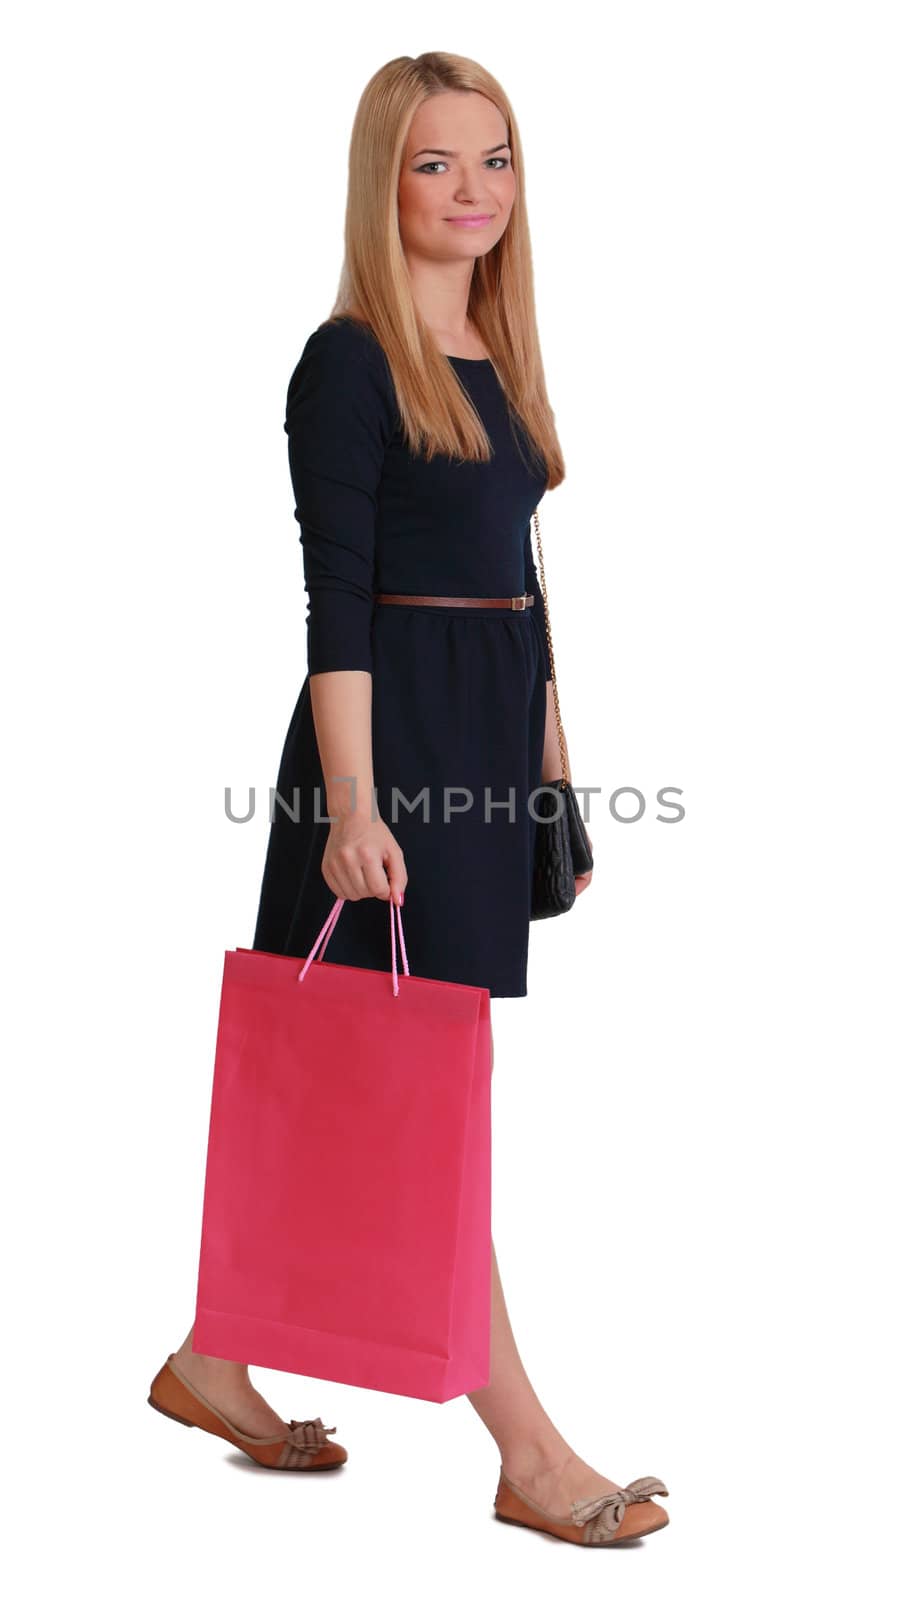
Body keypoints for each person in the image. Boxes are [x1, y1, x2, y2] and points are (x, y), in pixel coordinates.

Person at [147, 51, 669, 1549]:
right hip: (386, 758)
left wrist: (555, 783)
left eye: (495, 162)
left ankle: (210, 1358)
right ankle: (530, 1454)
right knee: (423, 1105)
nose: (472, 193)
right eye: (437, 164)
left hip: (487, 745)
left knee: (374, 1087)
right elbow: (338, 610)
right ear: (384, 182)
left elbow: (525, 589)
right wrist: (356, 809)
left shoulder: (501, 359)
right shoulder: (346, 360)